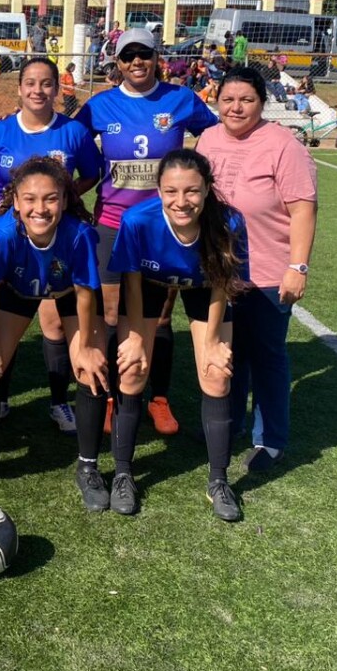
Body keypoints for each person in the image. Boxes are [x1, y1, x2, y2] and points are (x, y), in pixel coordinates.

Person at [74, 28, 218, 454]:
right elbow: (71, 141)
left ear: (158, 58)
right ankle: (112, 395)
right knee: (112, 312)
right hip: (113, 223)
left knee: (159, 316)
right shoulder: (99, 105)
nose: (136, 62)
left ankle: (158, 397)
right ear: (116, 62)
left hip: (165, 226)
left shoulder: (181, 99)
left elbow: (216, 136)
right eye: (127, 56)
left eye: (144, 54)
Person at [108, 149, 248, 521]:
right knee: (132, 370)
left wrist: (213, 341)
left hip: (205, 288)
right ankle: (123, 474)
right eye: (171, 191)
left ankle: (219, 480)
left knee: (216, 374)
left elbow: (221, 284)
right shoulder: (137, 220)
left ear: (207, 189)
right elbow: (132, 281)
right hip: (148, 284)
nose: (181, 201)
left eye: (192, 191)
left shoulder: (229, 222)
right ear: (158, 190)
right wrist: (136, 339)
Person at [0, 57, 102, 431]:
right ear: (19, 88)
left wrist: (61, 206)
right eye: (30, 82)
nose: (38, 90)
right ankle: (0, 397)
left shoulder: (73, 132)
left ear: (57, 88)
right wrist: (9, 208)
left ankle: (59, 402)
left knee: (54, 323)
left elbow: (91, 174)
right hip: (14, 242)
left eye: (46, 83)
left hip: (58, 239)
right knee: (5, 320)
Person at [197, 66, 317, 475]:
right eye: (228, 99)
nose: (236, 107)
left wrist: (297, 266)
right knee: (227, 352)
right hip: (219, 272)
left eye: (246, 100)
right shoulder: (208, 139)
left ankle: (270, 440)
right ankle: (227, 426)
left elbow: (303, 209)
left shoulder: (283, 145)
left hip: (267, 272)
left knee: (266, 356)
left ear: (262, 103)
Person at [0, 158, 108, 492]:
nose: (40, 208)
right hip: (16, 292)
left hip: (69, 293)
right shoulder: (1, 234)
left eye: (50, 198)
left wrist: (87, 346)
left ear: (65, 200)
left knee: (91, 367)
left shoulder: (79, 234)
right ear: (16, 201)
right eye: (30, 199)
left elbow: (86, 292)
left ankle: (88, 466)